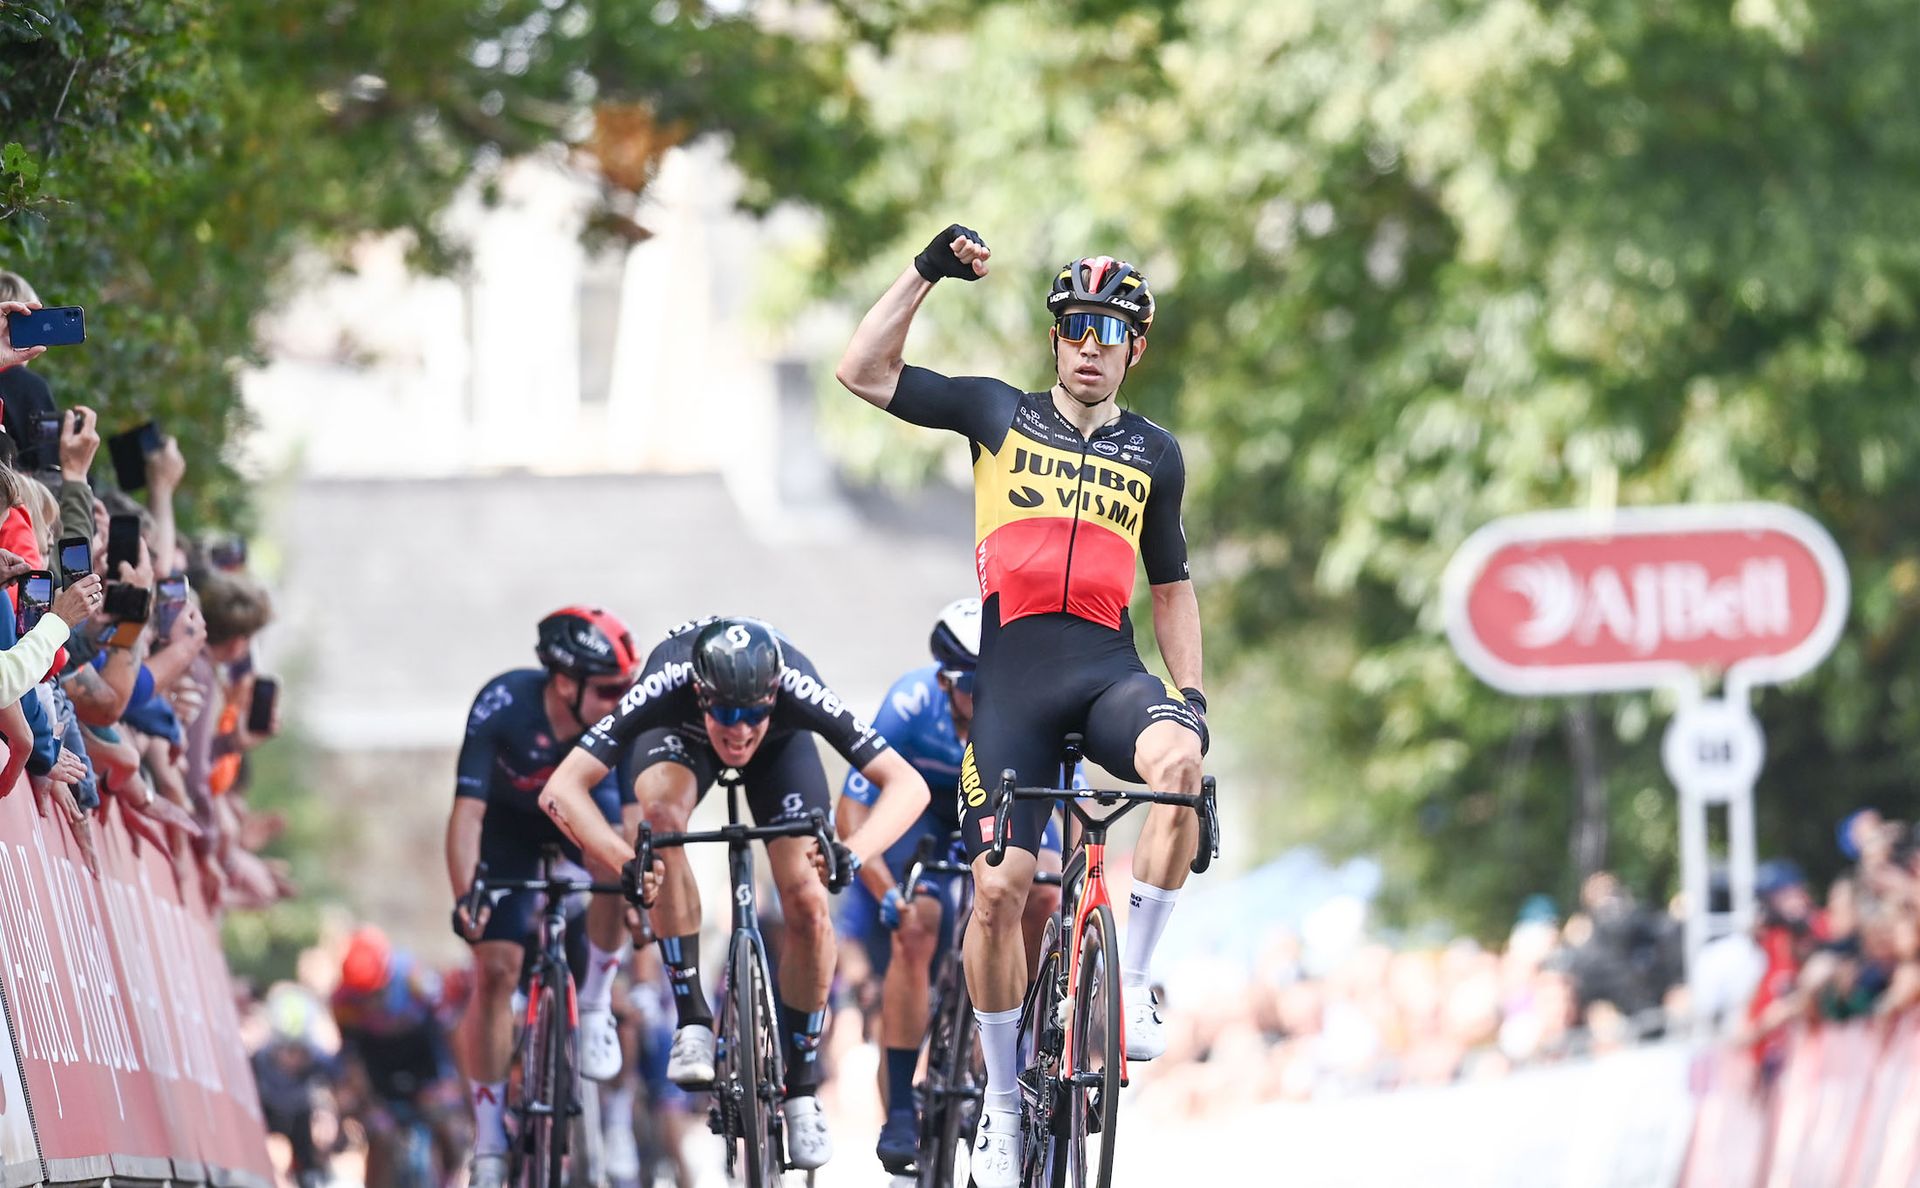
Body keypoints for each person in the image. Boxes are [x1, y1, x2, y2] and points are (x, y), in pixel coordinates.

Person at [837, 228, 1210, 1183]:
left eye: (1110, 331)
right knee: (999, 890)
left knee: (1179, 767)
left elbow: (1169, 586)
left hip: (1106, 668)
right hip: (1013, 685)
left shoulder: (1155, 454)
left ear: (1134, 349)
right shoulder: (997, 416)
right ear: (1056, 342)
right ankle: (1003, 1107)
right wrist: (925, 273)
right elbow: (862, 371)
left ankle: (1135, 980)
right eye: (1075, 328)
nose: (1091, 344)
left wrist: (1193, 698)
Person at [538, 615, 931, 1171]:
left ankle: (799, 1088)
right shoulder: (669, 680)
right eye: (728, 713)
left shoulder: (796, 685)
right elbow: (561, 790)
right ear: (701, 692)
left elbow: (907, 784)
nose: (740, 730)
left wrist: (854, 852)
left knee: (808, 900)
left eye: (754, 714)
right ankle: (694, 1020)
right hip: (680, 738)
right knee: (660, 822)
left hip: (784, 750)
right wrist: (625, 861)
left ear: (774, 694)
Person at [837, 598, 1065, 1174]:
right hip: (924, 820)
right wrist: (888, 890)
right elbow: (852, 817)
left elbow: (1070, 805)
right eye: (971, 688)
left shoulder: (1031, 702)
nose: (984, 699)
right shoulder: (909, 705)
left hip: (995, 808)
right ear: (945, 683)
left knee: (1042, 891)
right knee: (919, 926)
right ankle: (900, 1112)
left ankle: (1021, 1031)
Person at [446, 607, 644, 1188]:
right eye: (608, 689)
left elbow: (629, 828)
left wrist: (637, 887)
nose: (620, 700)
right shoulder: (504, 704)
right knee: (497, 968)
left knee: (613, 864)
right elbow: (466, 816)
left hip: (582, 816)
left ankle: (595, 1002)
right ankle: (487, 1140)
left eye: (626, 688)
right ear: (564, 683)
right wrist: (467, 900)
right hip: (507, 831)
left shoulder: (618, 722)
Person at [330, 927, 462, 1188]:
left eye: (376, 995)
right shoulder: (343, 1002)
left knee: (444, 1126)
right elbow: (351, 1056)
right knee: (380, 1137)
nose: (371, 1005)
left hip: (424, 1059)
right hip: (378, 1066)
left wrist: (450, 1081)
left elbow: (448, 1033)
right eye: (363, 998)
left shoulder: (417, 980)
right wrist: (364, 1102)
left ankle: (452, 1176)